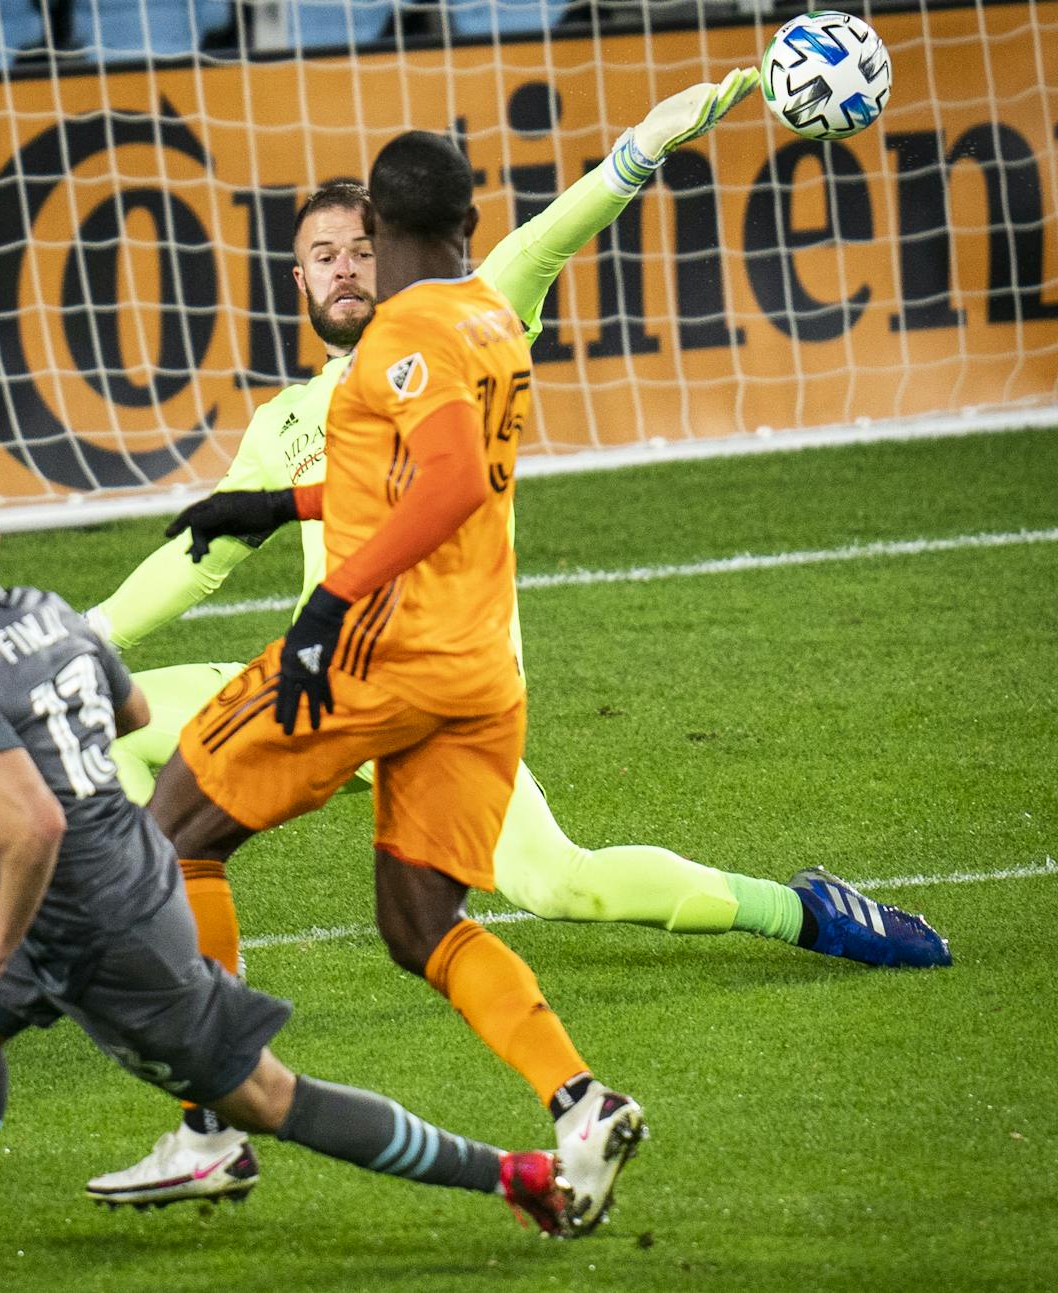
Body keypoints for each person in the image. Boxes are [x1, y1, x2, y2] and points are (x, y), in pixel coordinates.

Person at [83, 74, 952, 1210]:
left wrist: (661, 133)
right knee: (133, 734)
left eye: (356, 246)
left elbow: (560, 236)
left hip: (360, 666)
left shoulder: (463, 308)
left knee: (561, 885)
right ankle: (525, 1101)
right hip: (435, 669)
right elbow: (204, 555)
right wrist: (84, 635)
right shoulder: (288, 419)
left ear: (394, 240)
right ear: (294, 278)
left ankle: (806, 911)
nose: (343, 267)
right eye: (318, 255)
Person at [0, 439, 598, 1275]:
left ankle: (512, 1174)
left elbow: (32, 826)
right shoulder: (48, 611)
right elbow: (132, 707)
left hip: (98, 925)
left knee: (263, 1097)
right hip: (111, 869)